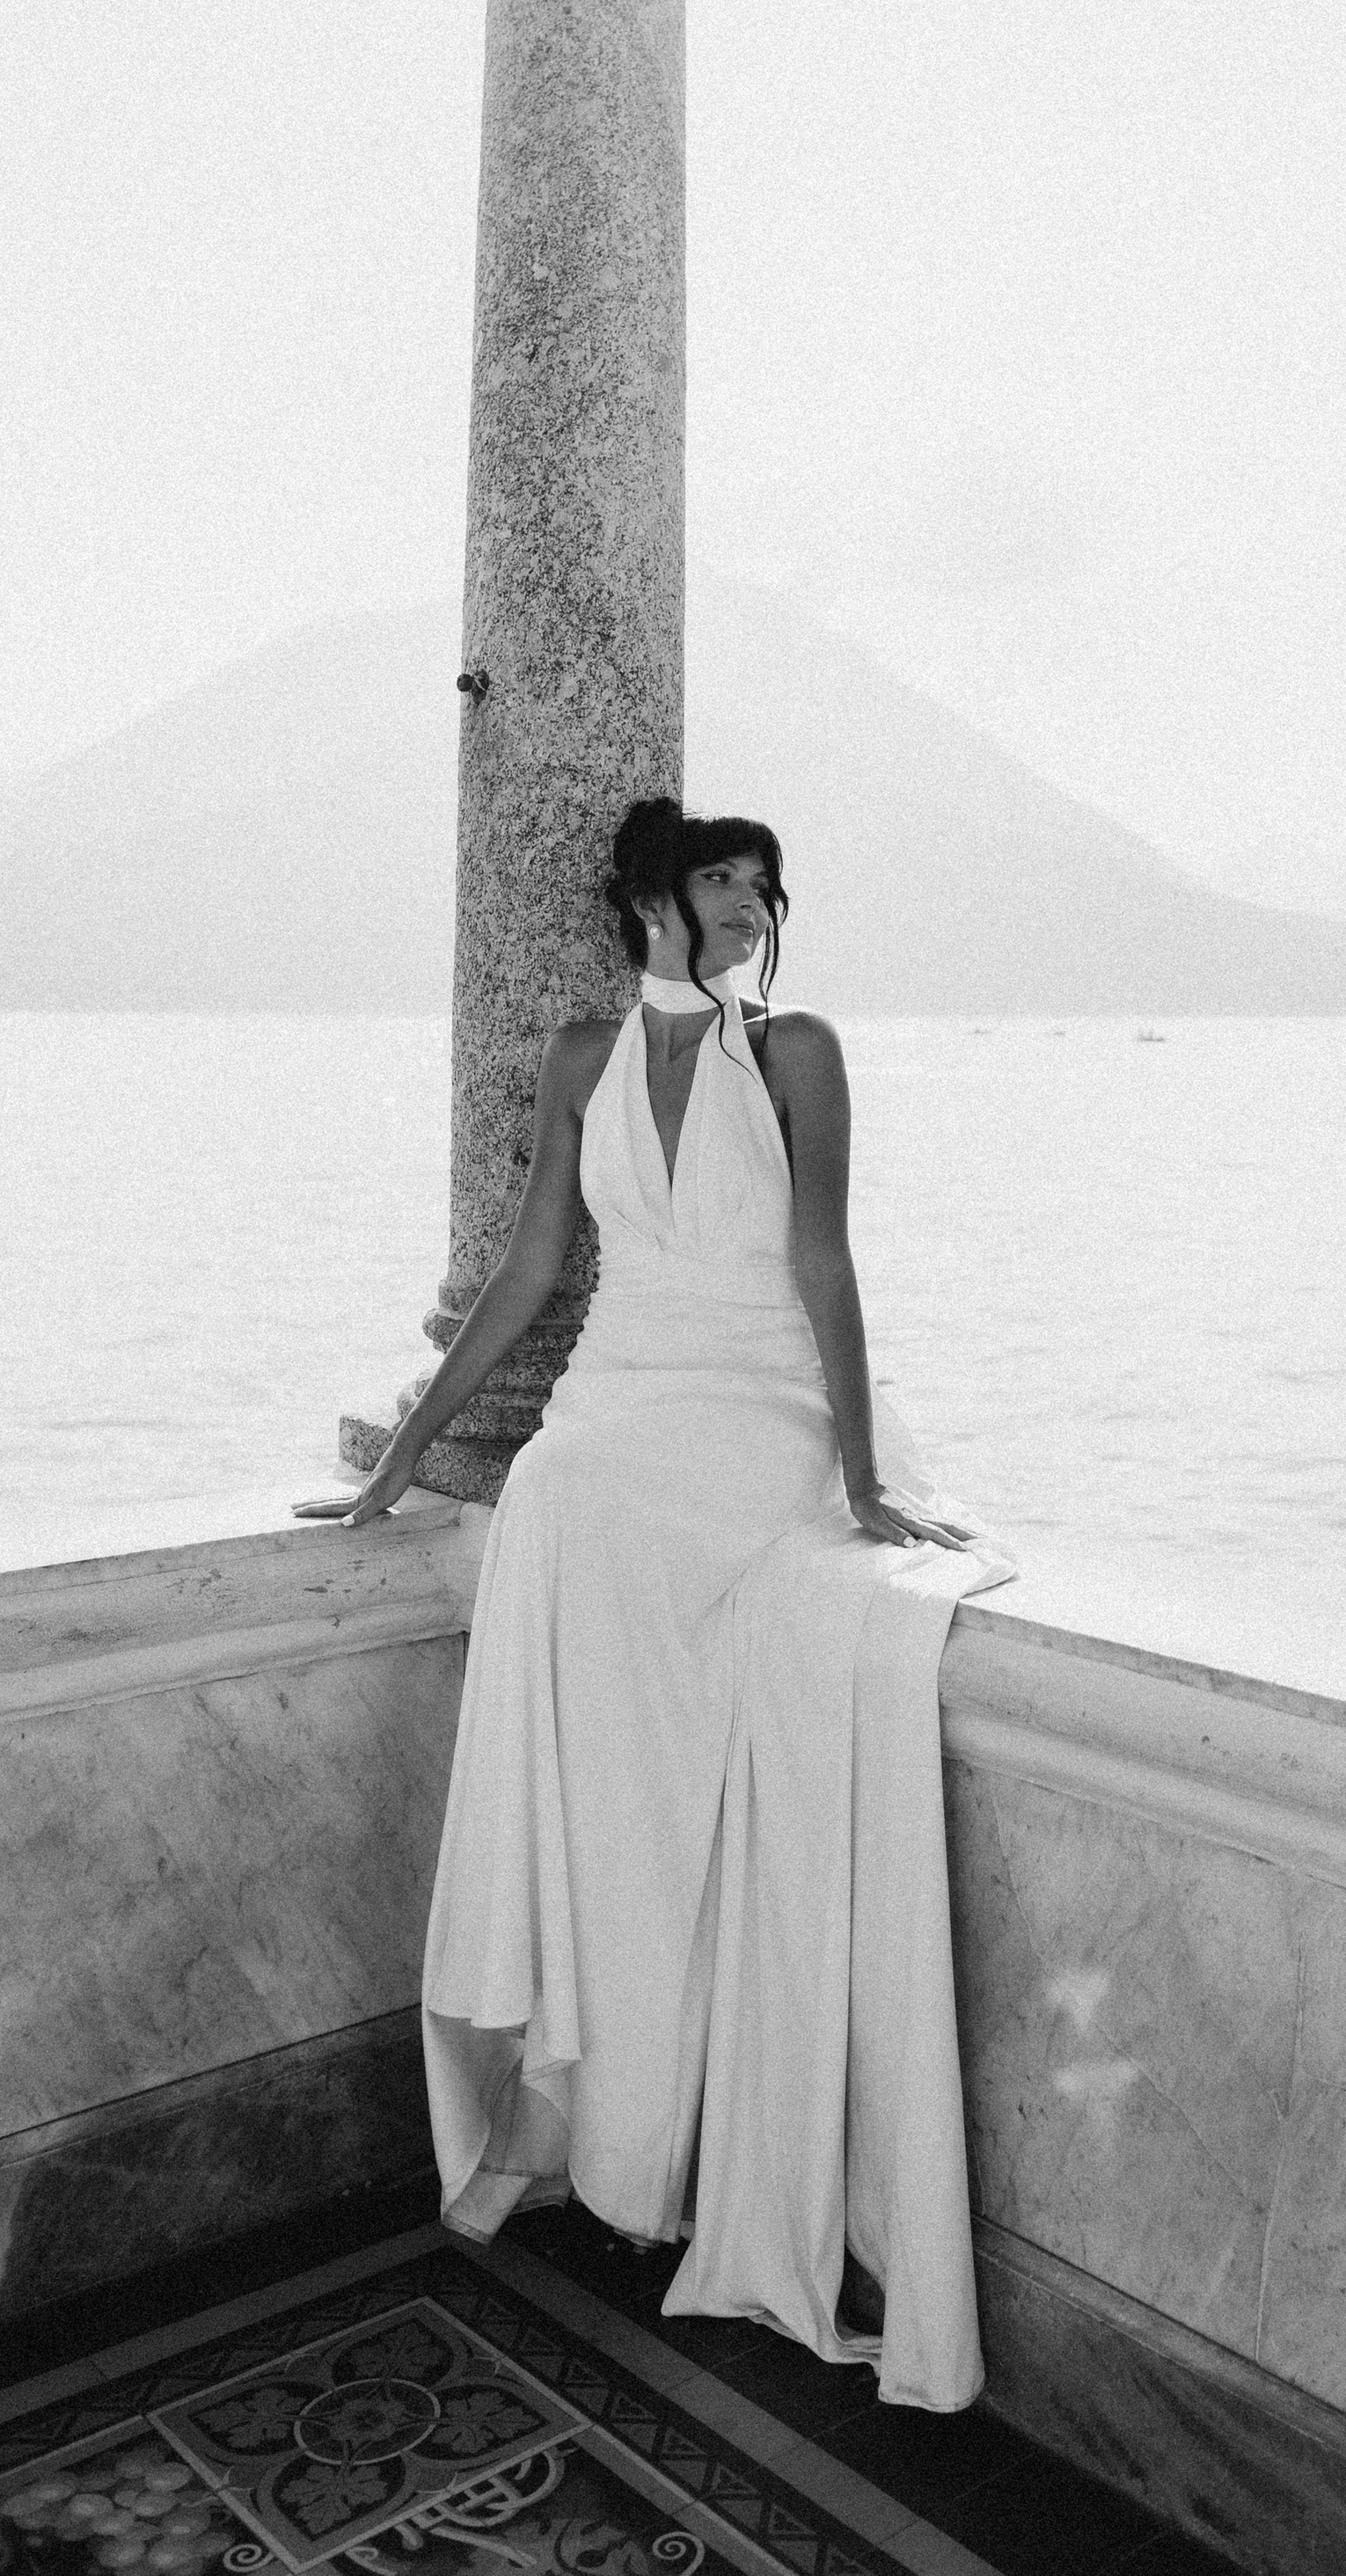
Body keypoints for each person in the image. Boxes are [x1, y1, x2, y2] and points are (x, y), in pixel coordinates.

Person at [297, 797, 1012, 2409]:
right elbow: (535, 1269)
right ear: (649, 899)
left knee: (702, 1733)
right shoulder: (575, 1059)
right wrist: (403, 1463)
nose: (753, 907)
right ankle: (565, 2103)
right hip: (617, 1414)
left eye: (766, 885)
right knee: (549, 1509)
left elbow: (825, 1266)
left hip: (757, 1413)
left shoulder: (801, 1054)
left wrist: (864, 1473)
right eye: (722, 881)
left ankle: (648, 2127)